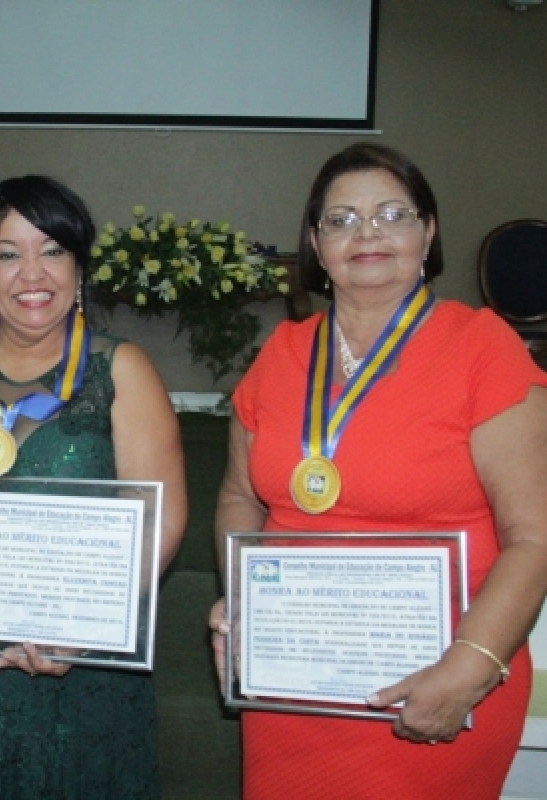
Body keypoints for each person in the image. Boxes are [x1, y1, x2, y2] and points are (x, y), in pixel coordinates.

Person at [208, 142, 547, 798]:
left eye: (392, 214)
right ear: (315, 242)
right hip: (296, 685)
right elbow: (238, 498)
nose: (366, 232)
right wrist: (249, 604)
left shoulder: (482, 349)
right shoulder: (279, 354)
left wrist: (472, 665)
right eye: (341, 219)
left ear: (429, 231)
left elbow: (535, 536)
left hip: (434, 680)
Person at [0, 175, 187, 798]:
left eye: (52, 251)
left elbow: (161, 515)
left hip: (82, 656)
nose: (32, 273)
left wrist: (91, 628)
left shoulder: (119, 366)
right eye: (8, 253)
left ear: (79, 265)